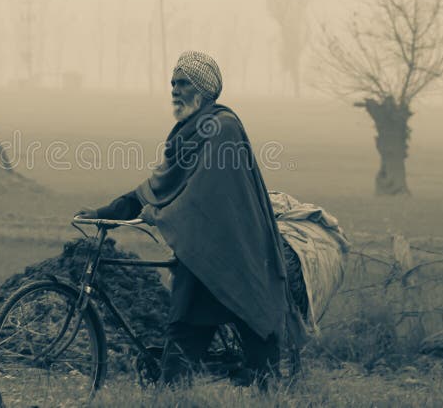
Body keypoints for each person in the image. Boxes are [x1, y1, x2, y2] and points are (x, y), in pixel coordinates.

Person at [75, 50, 305, 387]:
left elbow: (202, 194)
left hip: (234, 251)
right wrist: (111, 211)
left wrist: (161, 213)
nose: (174, 90)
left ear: (204, 90)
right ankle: (177, 394)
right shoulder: (186, 132)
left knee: (247, 334)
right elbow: (161, 184)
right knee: (186, 327)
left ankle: (263, 389)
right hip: (200, 251)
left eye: (183, 83)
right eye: (172, 83)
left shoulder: (223, 127)